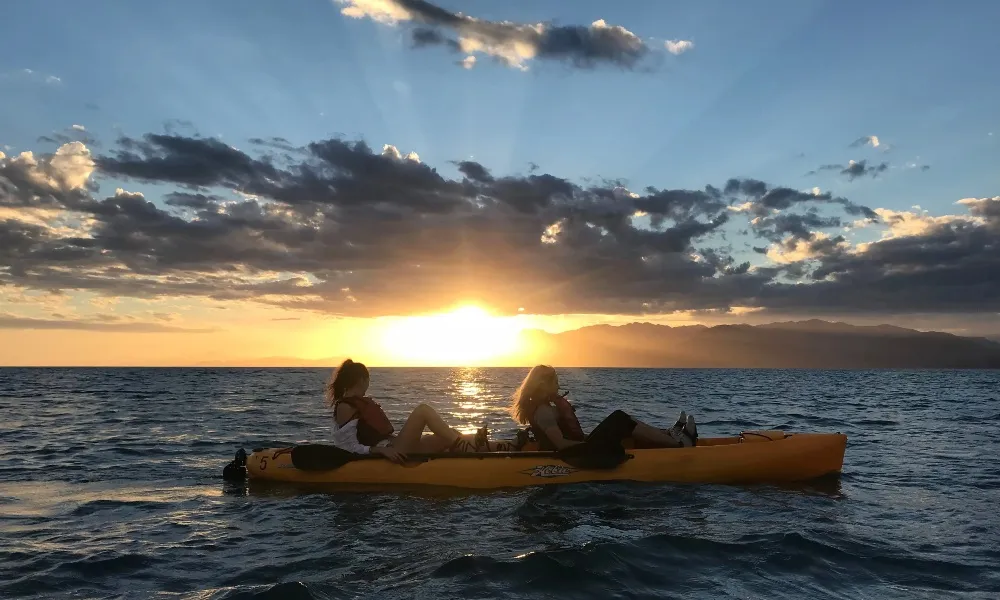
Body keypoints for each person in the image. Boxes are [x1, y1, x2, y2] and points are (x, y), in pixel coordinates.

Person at [326, 359, 513, 463]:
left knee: (451, 435)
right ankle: (465, 448)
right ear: (361, 380)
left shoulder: (359, 403)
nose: (369, 384)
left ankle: (506, 447)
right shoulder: (345, 406)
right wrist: (379, 450)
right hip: (390, 451)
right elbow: (347, 448)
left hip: (395, 445)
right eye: (368, 379)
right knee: (423, 410)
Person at [508, 365, 698, 452]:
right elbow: (561, 445)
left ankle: (669, 434)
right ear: (544, 385)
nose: (558, 387)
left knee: (622, 421)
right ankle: (679, 445)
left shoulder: (545, 407)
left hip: (582, 447)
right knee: (619, 419)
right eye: (556, 383)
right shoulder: (543, 411)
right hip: (576, 456)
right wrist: (594, 446)